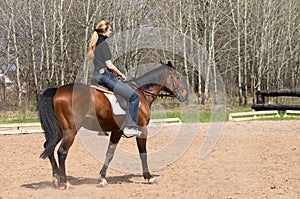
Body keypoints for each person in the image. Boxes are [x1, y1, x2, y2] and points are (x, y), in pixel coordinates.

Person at [87, 20, 141, 137]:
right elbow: (109, 65)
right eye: (110, 30)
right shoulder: (104, 44)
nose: (111, 32)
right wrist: (120, 74)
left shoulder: (95, 43)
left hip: (96, 76)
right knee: (134, 96)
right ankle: (130, 127)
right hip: (105, 76)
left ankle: (104, 126)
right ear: (104, 31)